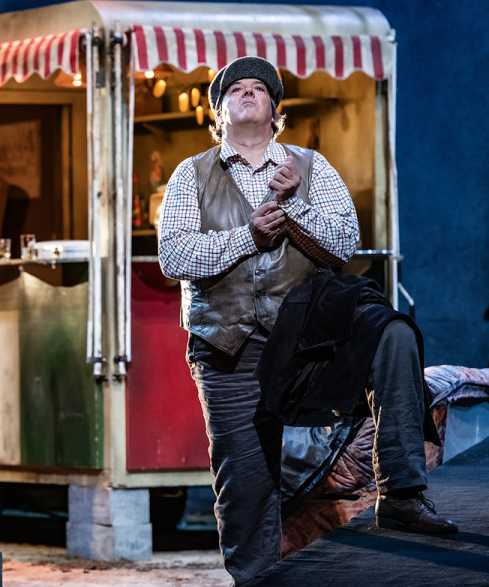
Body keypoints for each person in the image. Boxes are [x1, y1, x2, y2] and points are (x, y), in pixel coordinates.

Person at [157, 57, 456, 585]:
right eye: (236, 89)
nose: (248, 93)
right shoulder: (192, 174)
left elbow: (343, 246)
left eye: (259, 89)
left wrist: (294, 204)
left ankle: (403, 493)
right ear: (219, 111)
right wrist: (246, 236)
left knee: (393, 334)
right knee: (246, 480)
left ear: (276, 110)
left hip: (304, 340)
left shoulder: (312, 168)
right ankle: (256, 579)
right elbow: (175, 257)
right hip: (230, 346)